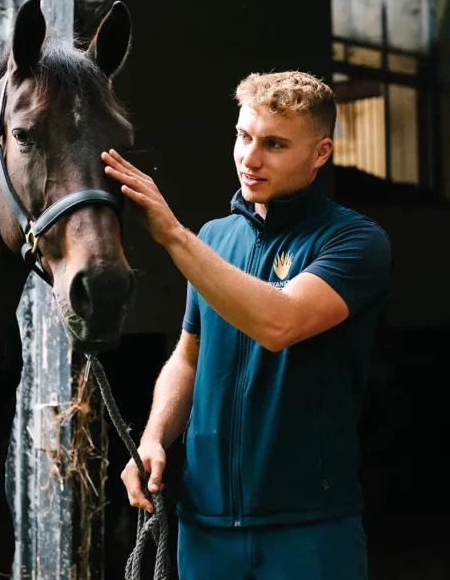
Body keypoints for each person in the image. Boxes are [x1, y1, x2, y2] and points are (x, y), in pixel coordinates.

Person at [102, 71, 392, 580]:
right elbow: (189, 357)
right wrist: (152, 437)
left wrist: (173, 236)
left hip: (309, 531)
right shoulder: (214, 238)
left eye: (275, 144)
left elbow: (279, 323)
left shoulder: (354, 241)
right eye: (243, 136)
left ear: (321, 152)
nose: (250, 158)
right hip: (205, 529)